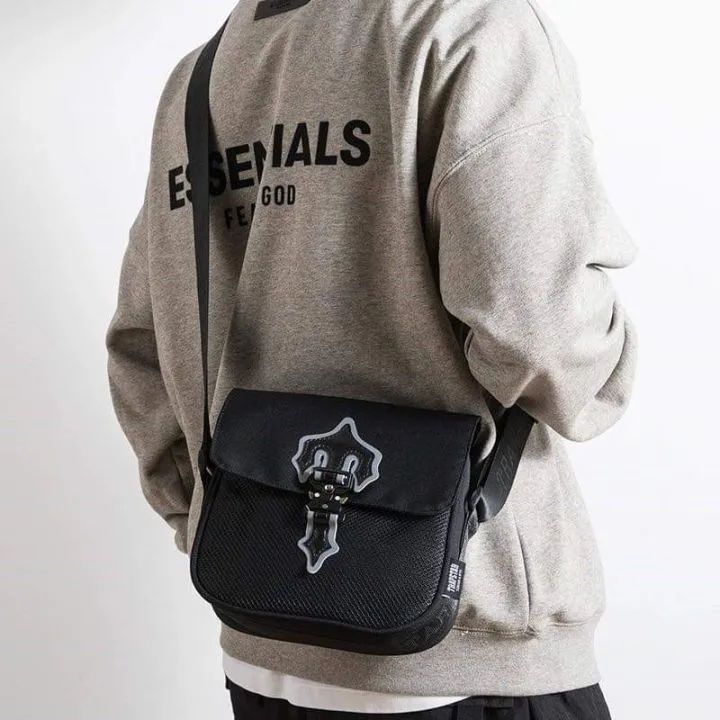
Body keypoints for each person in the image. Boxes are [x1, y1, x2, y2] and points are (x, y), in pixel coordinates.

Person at [105, 0, 638, 717]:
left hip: (262, 637)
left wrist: (216, 519)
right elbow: (541, 335)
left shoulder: (201, 76)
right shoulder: (464, 27)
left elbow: (141, 344)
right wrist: (607, 365)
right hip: (463, 643)